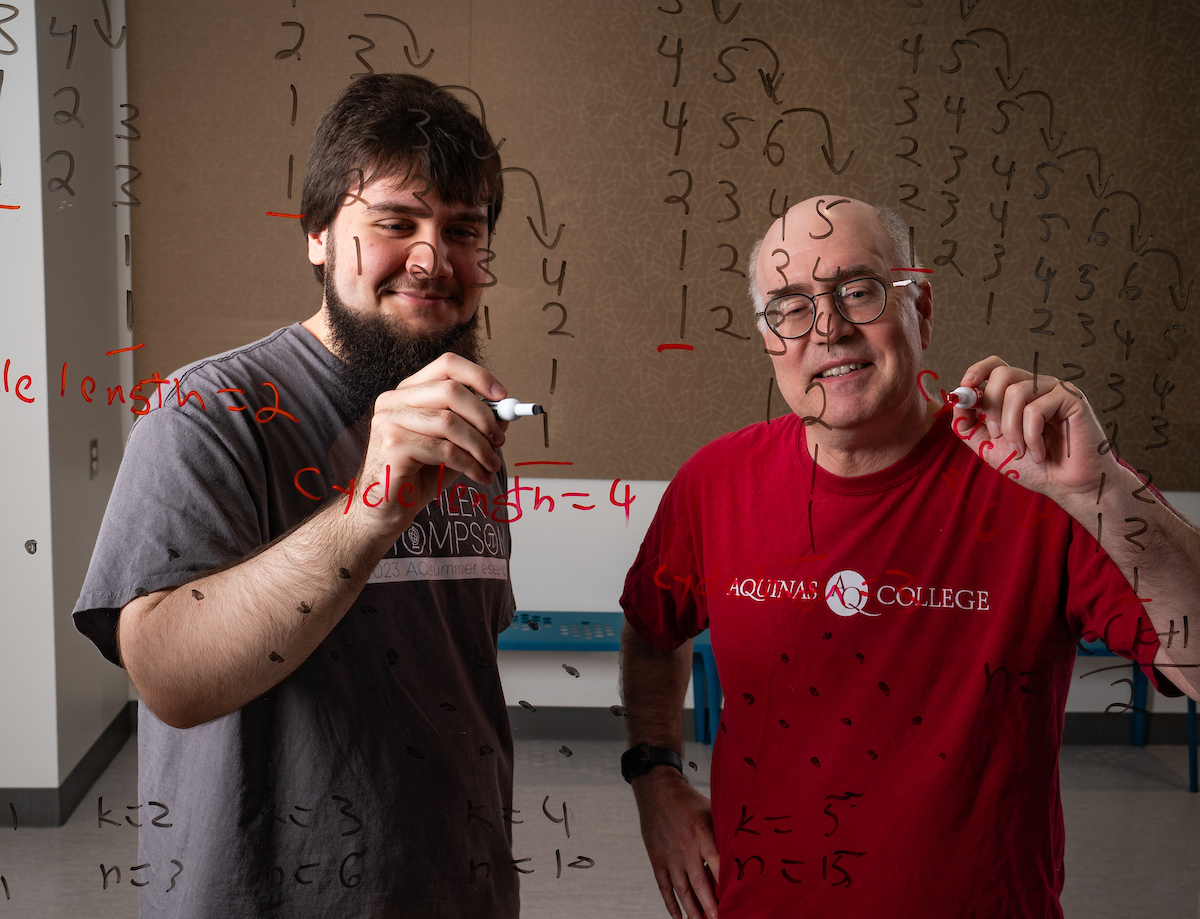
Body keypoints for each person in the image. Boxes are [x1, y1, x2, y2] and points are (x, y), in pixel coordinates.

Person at [618, 196, 1200, 919]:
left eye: (857, 292)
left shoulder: (1042, 483)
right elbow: (651, 628)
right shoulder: (713, 482)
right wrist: (656, 775)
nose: (827, 328)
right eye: (791, 307)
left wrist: (1106, 488)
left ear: (919, 308)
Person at [73, 74, 522, 917]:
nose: (433, 258)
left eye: (463, 230)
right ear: (317, 235)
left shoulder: (468, 425)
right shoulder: (206, 413)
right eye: (395, 223)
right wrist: (371, 509)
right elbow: (167, 675)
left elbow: (455, 680)